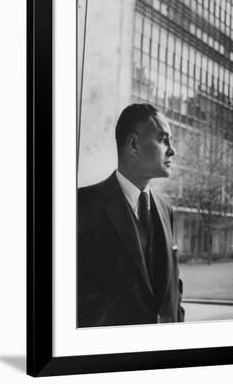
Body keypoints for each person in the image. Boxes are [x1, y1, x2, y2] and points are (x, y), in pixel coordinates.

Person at [77, 103, 185, 327]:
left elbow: (174, 289)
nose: (172, 150)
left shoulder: (166, 210)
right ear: (134, 145)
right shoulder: (82, 206)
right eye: (164, 139)